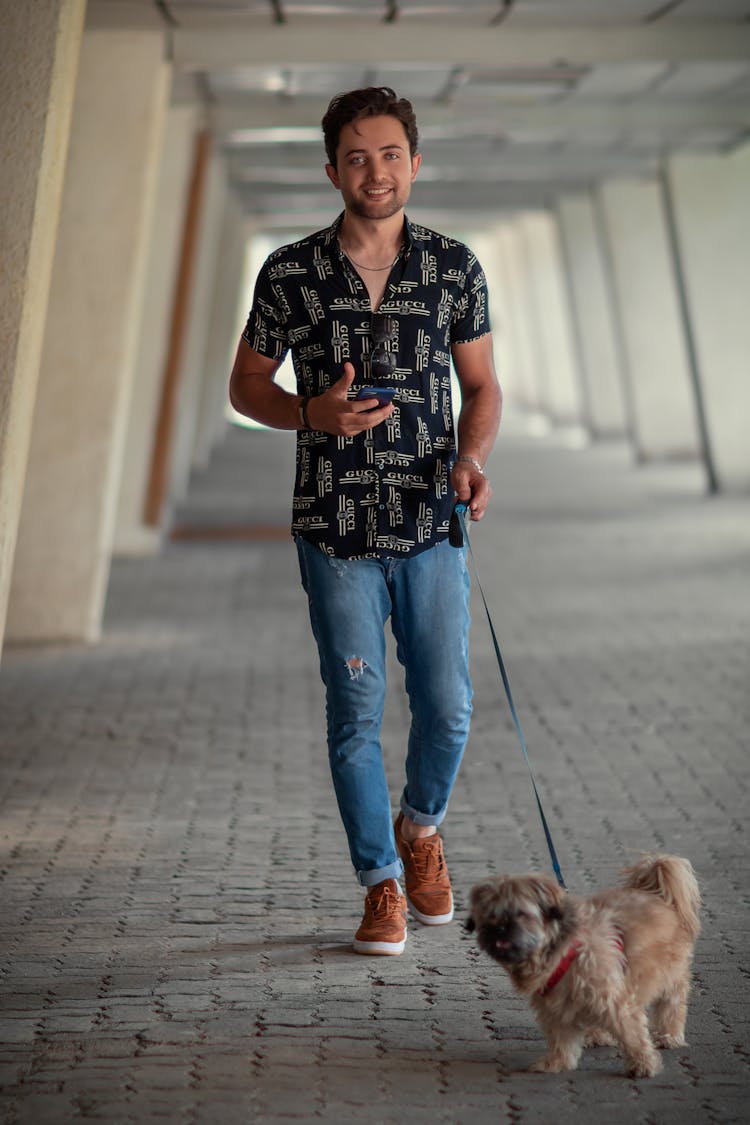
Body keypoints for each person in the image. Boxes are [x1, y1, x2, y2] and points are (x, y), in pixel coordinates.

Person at [229, 87, 502, 956]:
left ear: (415, 163)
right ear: (332, 169)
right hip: (334, 528)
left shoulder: (454, 267)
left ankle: (422, 831)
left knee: (448, 706)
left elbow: (483, 388)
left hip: (430, 522)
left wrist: (471, 460)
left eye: (390, 154)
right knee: (353, 710)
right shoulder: (290, 272)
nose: (375, 171)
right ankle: (380, 882)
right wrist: (312, 414)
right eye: (357, 156)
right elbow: (245, 386)